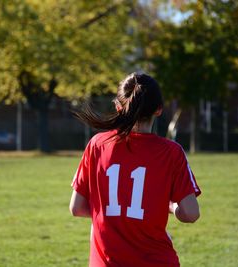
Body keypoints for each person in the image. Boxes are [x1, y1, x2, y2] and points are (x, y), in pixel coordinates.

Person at [69, 72, 201, 267]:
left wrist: (112, 212)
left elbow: (77, 207)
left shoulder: (97, 144)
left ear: (118, 106)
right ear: (159, 110)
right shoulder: (171, 152)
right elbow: (191, 213)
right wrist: (168, 207)